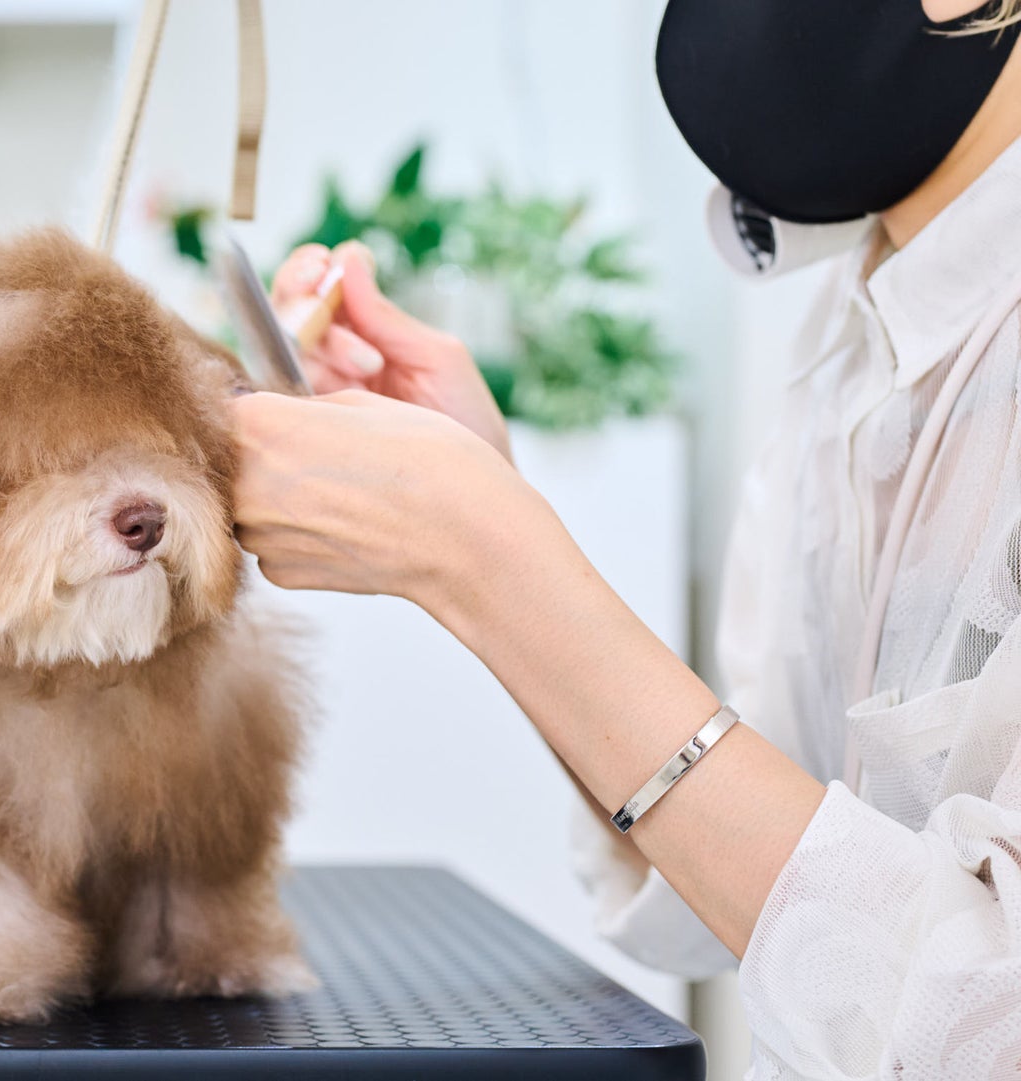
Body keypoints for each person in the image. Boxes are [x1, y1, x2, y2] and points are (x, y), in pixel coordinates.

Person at [230, 2, 1021, 1078]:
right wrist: (488, 507)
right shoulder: (851, 343)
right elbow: (749, 888)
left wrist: (489, 562)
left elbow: (983, 1028)